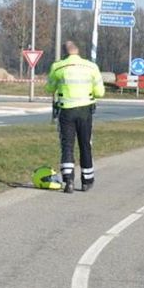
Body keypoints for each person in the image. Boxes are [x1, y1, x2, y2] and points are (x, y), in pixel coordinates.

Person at [45, 41, 105, 194]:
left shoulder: (57, 67)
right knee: (85, 145)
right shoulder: (91, 67)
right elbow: (100, 92)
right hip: (85, 111)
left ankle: (69, 180)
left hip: (66, 111)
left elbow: (49, 88)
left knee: (67, 145)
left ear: (65, 53)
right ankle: (87, 181)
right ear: (78, 52)